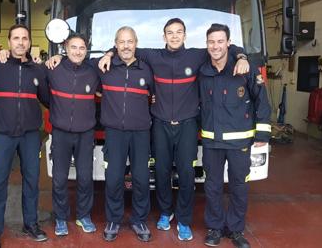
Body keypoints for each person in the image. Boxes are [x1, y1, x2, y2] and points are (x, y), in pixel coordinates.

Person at [98, 18, 250, 241]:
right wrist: (109, 54)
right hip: (160, 124)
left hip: (187, 124)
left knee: (187, 174)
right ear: (164, 36)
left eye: (179, 32)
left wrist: (242, 55)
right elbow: (125, 47)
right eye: (170, 32)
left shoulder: (197, 55)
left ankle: (184, 220)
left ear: (185, 35)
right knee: (161, 172)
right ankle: (165, 213)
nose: (175, 36)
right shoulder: (152, 56)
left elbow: (223, 47)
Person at [197, 24, 271, 248]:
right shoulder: (202, 70)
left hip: (240, 142)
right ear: (206, 44)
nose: (215, 46)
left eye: (220, 41)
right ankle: (215, 227)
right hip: (212, 141)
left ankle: (236, 230)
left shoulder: (246, 68)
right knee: (213, 186)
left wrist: (263, 133)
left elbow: (262, 101)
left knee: (239, 186)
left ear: (228, 43)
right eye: (211, 41)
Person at [0, 24, 49, 248]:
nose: (21, 42)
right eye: (16, 38)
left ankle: (30, 224)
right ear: (9, 42)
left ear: (30, 42)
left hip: (30, 135)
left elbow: (47, 98)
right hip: (2, 135)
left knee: (31, 181)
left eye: (25, 38)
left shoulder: (38, 70)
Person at [97, 26, 153, 242]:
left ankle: (139, 220)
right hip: (114, 133)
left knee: (141, 178)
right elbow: (75, 64)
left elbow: (156, 96)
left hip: (140, 133)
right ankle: (114, 219)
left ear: (136, 43)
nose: (126, 46)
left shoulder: (147, 70)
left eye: (130, 41)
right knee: (113, 178)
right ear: (116, 44)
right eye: (122, 42)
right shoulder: (104, 67)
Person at [44, 34, 100, 237]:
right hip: (61, 133)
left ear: (87, 50)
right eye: (73, 47)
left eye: (82, 48)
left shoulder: (94, 71)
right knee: (59, 179)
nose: (77, 51)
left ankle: (83, 216)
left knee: (85, 178)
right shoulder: (53, 69)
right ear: (65, 48)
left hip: (86, 133)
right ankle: (61, 217)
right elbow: (42, 92)